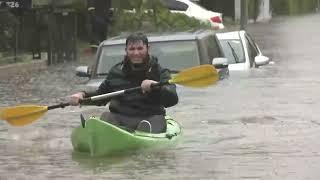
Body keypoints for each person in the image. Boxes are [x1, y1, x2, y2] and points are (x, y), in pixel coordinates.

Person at [69, 32, 178, 133]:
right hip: (120, 118)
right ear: (126, 50)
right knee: (107, 116)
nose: (136, 53)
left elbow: (172, 99)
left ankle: (143, 135)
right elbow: (101, 96)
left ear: (148, 49)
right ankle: (112, 135)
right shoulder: (116, 72)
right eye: (132, 49)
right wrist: (82, 96)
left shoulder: (160, 72)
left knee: (154, 122)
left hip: (150, 117)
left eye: (140, 48)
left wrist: (155, 87)